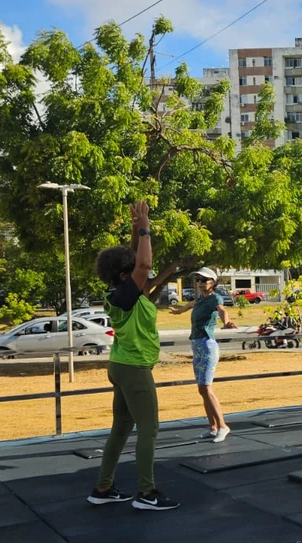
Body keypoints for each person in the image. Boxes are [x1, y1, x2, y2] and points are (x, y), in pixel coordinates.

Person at [87, 201, 179, 511]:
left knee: (122, 428)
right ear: (126, 276)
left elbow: (133, 262)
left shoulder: (119, 293)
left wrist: (135, 227)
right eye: (134, 272)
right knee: (148, 429)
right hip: (134, 369)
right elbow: (143, 265)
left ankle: (103, 487)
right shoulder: (127, 295)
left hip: (121, 366)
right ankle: (147, 493)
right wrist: (145, 227)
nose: (143, 274)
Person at [170, 267, 238, 443]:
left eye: (204, 280)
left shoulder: (215, 297)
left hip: (207, 346)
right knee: (201, 389)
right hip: (196, 347)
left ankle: (223, 426)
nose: (200, 283)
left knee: (207, 388)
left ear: (213, 283)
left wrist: (227, 322)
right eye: (198, 280)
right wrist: (178, 311)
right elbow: (190, 304)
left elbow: (222, 310)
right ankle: (212, 427)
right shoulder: (200, 299)